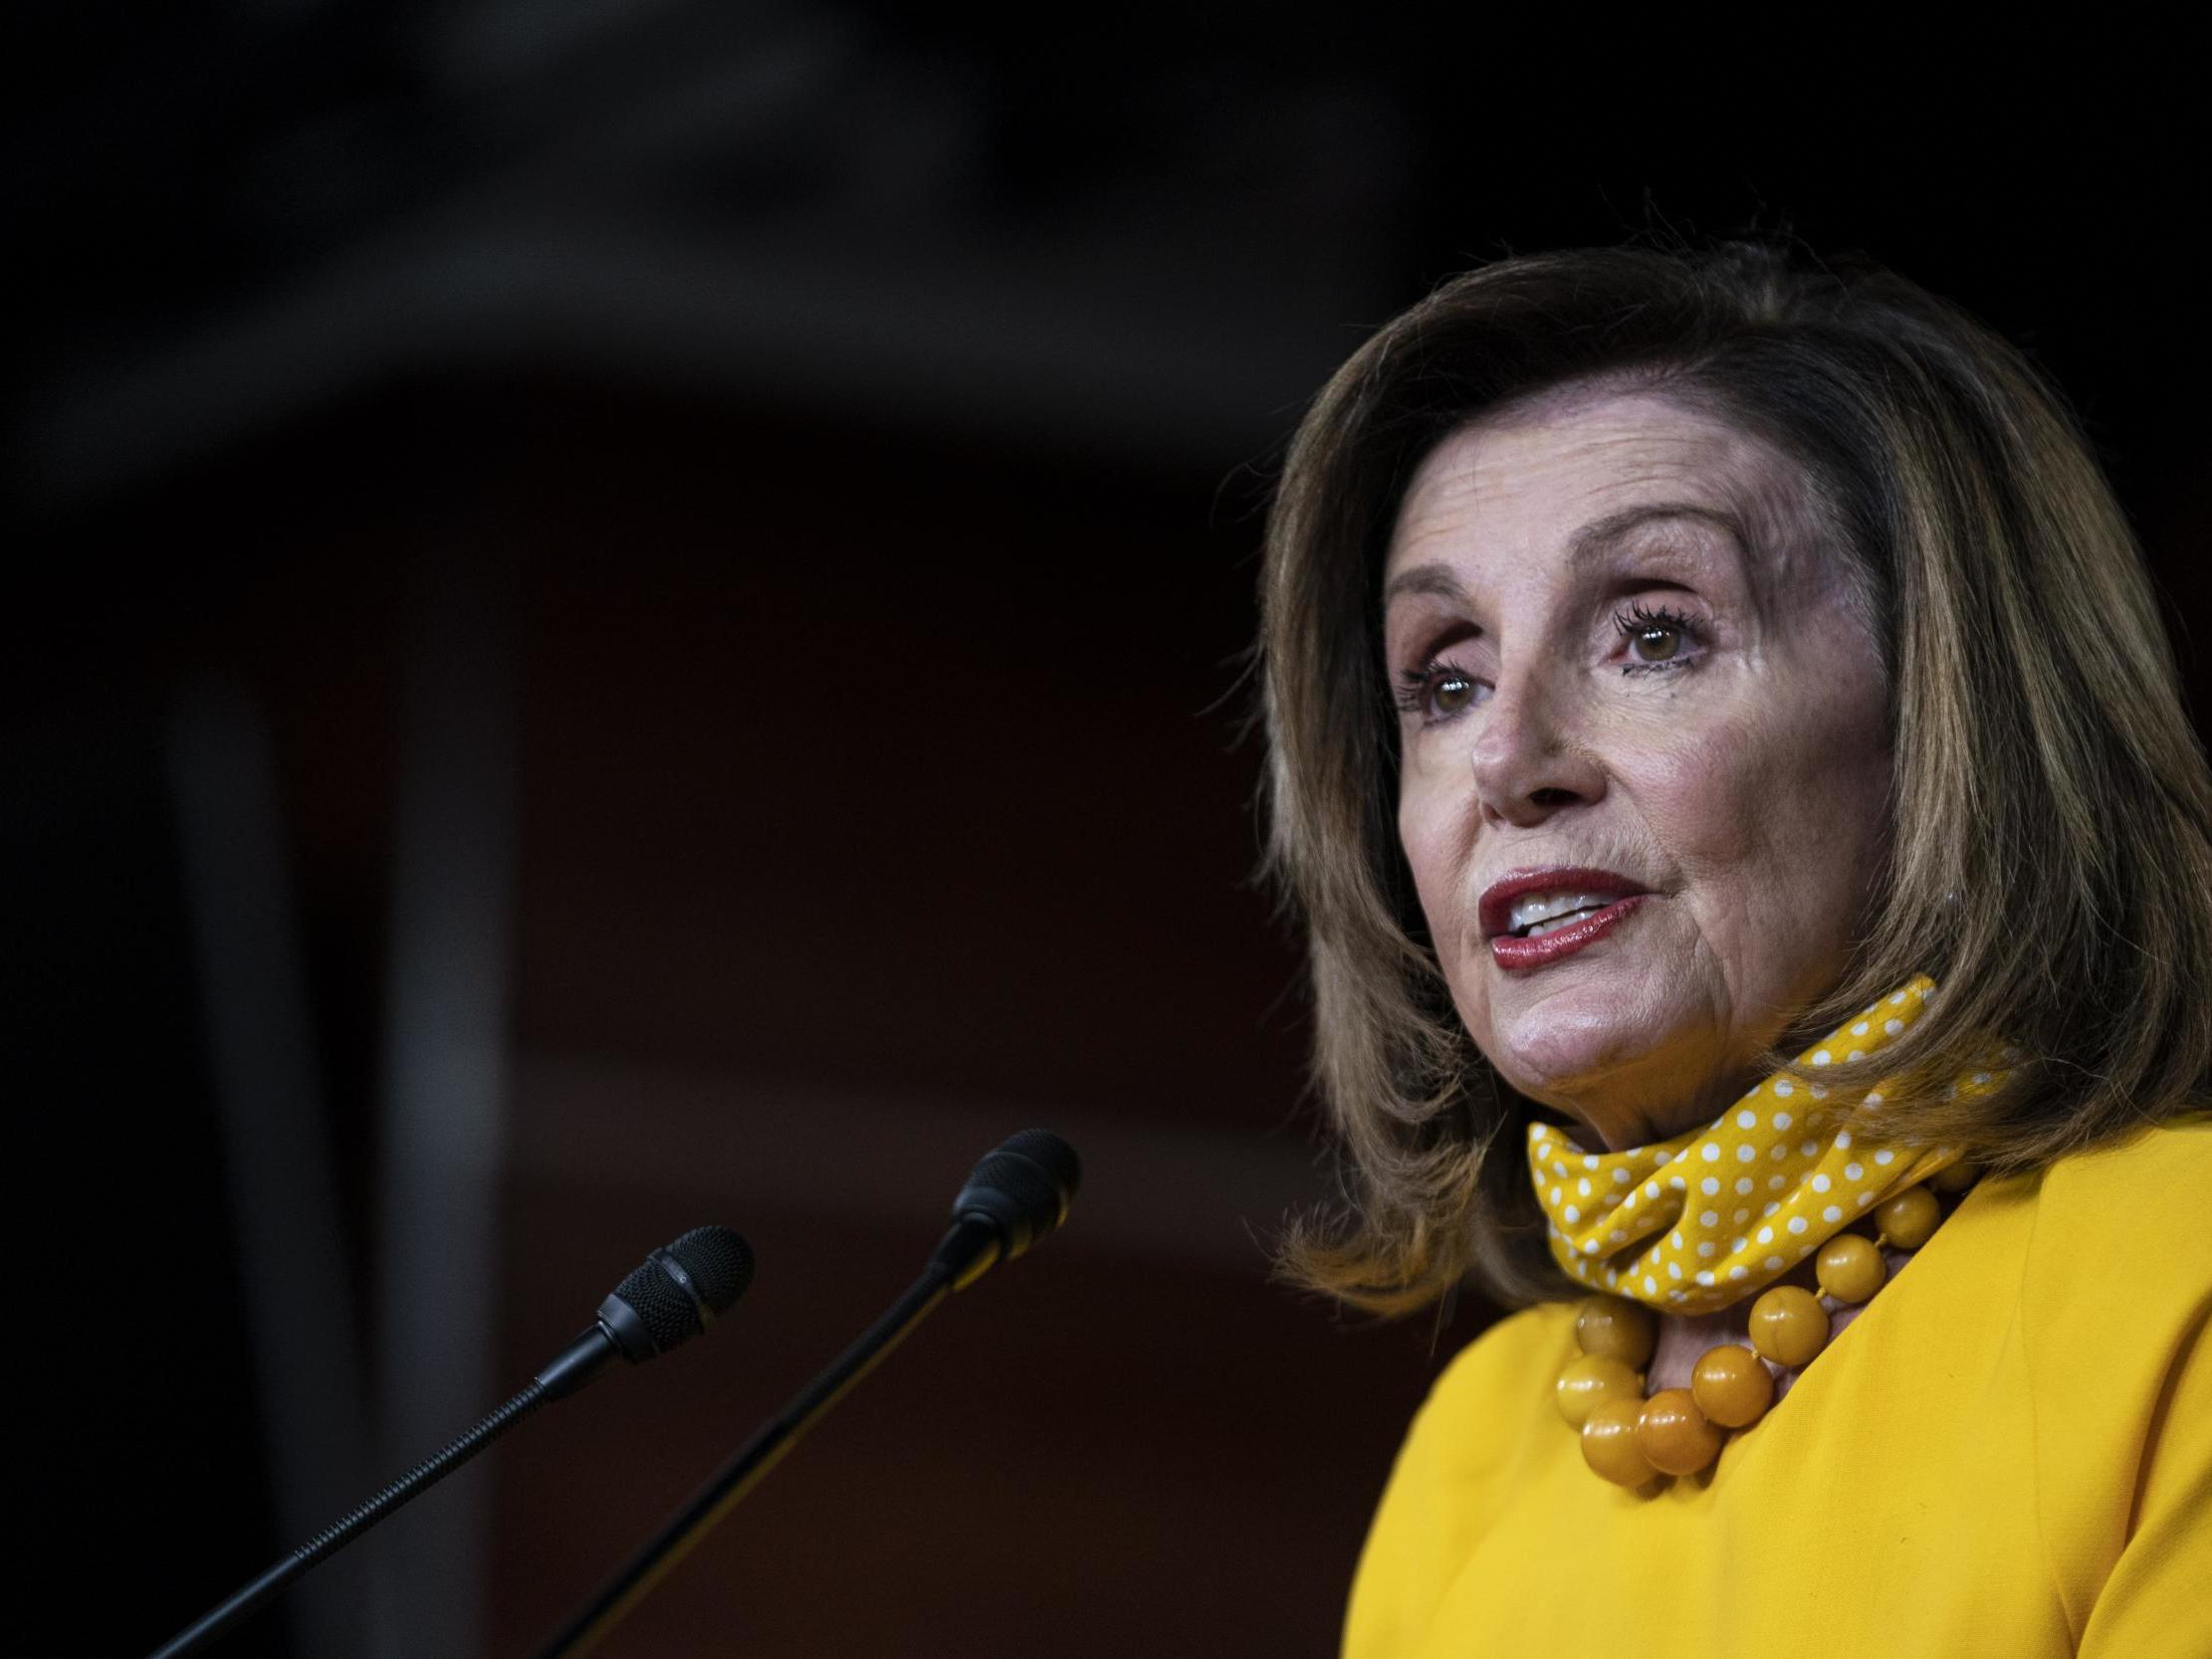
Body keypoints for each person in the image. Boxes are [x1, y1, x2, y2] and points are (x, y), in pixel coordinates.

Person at [1253, 239, 2211, 1656]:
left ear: (1949, 718)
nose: (1506, 760)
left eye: (1653, 635)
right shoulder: (1480, 1440)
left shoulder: (2171, 1278)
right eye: (1444, 679)